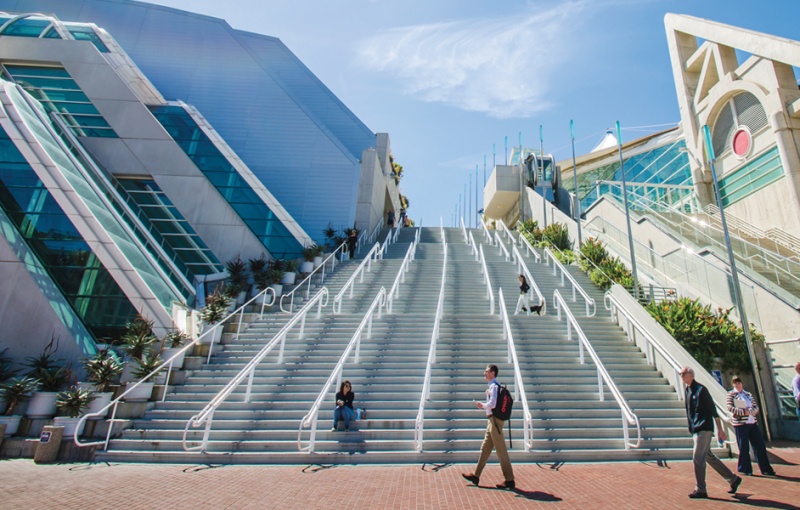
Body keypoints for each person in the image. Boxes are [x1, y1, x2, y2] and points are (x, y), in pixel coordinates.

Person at [680, 366, 742, 498]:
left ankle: (701, 489)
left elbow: (713, 411)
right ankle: (733, 479)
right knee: (708, 456)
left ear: (691, 375)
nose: (681, 376)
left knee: (697, 458)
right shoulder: (687, 390)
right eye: (680, 374)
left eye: (683, 373)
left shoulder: (701, 390)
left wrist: (720, 430)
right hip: (696, 428)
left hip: (704, 428)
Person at [462, 364, 515, 490]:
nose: (484, 373)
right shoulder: (494, 387)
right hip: (492, 421)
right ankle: (476, 475)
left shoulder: (493, 387)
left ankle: (510, 480)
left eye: (486, 371)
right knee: (485, 448)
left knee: (501, 450)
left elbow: (493, 403)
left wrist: (483, 405)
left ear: (493, 373)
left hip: (495, 421)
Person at [726, 375, 775, 476]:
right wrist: (744, 412)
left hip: (752, 422)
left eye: (739, 382)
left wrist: (751, 412)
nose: (738, 384)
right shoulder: (731, 394)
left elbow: (755, 407)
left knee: (759, 445)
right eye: (735, 383)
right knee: (743, 447)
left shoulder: (748, 394)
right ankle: (745, 468)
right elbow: (730, 407)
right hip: (740, 424)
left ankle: (766, 468)